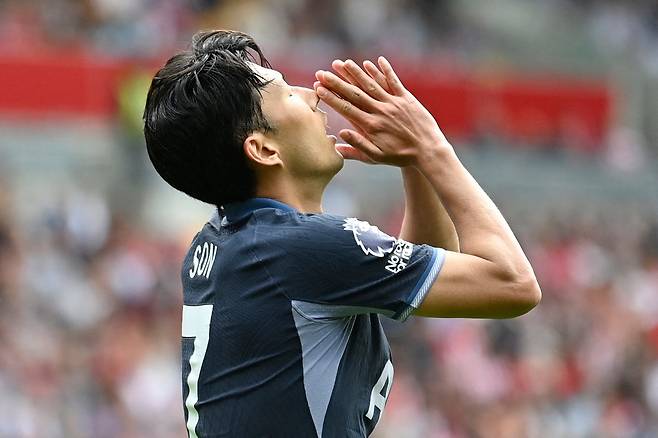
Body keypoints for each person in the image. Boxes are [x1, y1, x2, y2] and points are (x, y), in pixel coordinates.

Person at [143, 30, 541, 438]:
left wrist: (416, 162)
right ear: (263, 150)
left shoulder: (227, 240)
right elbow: (513, 283)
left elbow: (428, 278)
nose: (312, 93)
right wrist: (434, 148)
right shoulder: (298, 249)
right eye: (287, 93)